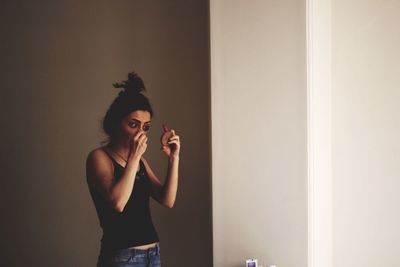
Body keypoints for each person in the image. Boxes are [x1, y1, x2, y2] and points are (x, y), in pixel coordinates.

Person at [86, 71, 180, 267]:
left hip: (152, 255)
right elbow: (118, 202)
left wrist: (174, 159)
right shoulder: (99, 157)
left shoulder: (140, 161)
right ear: (114, 123)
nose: (140, 132)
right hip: (122, 257)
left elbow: (167, 199)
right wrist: (134, 157)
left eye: (146, 127)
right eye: (133, 125)